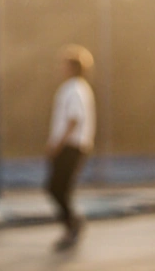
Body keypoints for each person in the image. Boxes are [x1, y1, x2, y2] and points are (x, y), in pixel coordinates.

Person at [46, 44, 96, 251]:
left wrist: (57, 144)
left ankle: (73, 225)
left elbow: (74, 119)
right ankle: (72, 225)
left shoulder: (73, 89)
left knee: (57, 187)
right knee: (60, 188)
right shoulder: (80, 88)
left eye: (65, 64)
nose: (61, 68)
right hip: (75, 145)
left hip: (71, 146)